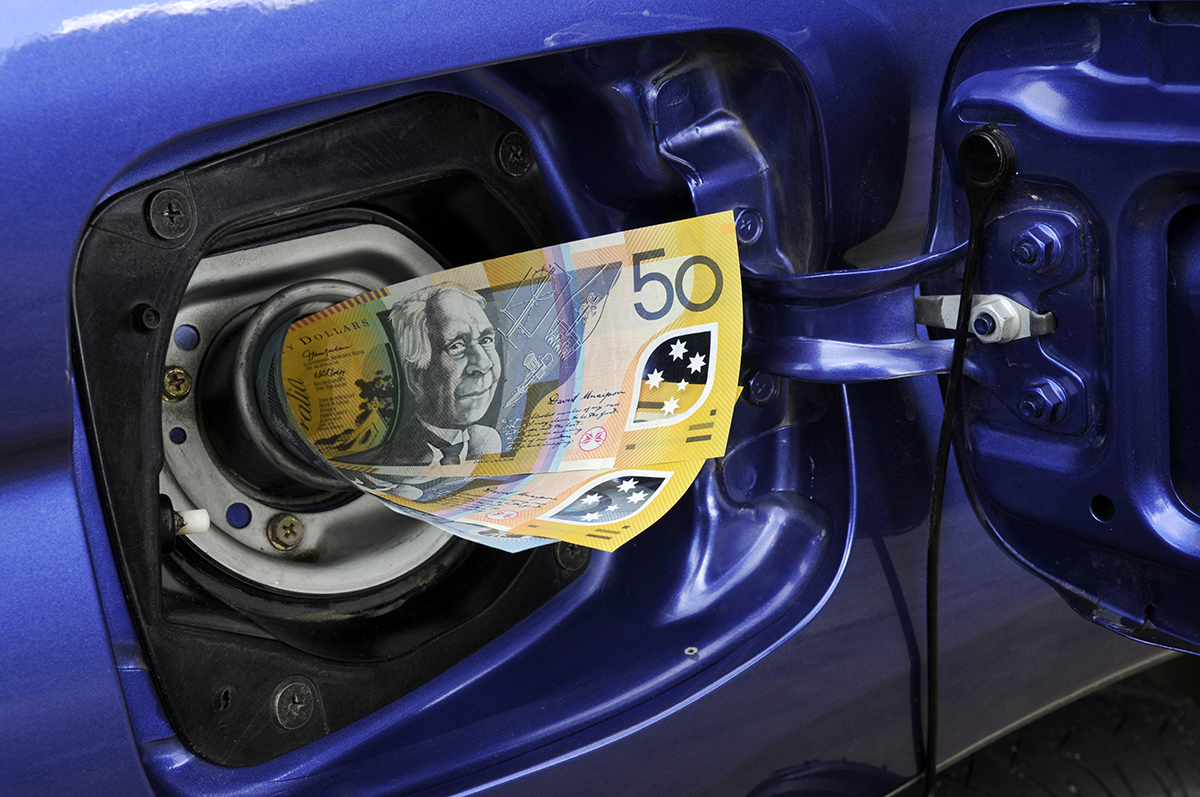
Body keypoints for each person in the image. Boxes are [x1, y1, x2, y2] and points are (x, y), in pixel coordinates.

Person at [372, 285, 503, 467]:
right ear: (416, 378)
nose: (483, 364)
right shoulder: (387, 461)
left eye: (486, 340)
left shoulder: (488, 442)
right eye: (456, 346)